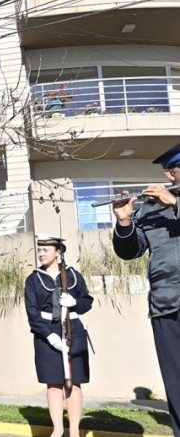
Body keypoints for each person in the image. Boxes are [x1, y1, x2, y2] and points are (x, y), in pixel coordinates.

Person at [112, 142, 180, 436]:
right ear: (170, 173)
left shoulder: (169, 201)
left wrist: (175, 204)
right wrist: (125, 221)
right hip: (167, 303)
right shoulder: (147, 209)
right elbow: (130, 251)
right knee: (177, 382)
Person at [25, 234, 93, 437]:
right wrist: (49, 336)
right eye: (39, 250)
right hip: (46, 332)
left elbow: (87, 301)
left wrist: (75, 302)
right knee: (53, 383)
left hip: (73, 329)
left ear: (59, 252)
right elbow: (32, 312)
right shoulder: (33, 279)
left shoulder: (73, 276)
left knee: (73, 381)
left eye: (46, 250)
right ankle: (58, 430)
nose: (41, 254)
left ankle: (74, 431)